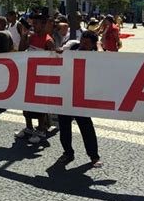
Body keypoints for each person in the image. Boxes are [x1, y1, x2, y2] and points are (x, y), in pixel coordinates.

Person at [56, 31, 103, 168]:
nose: (82, 44)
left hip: (82, 95)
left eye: (87, 43)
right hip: (65, 91)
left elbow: (103, 57)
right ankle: (67, 153)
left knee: (86, 126)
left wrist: (99, 45)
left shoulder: (95, 53)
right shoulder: (73, 45)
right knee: (64, 125)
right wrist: (59, 50)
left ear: (93, 44)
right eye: (82, 41)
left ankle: (94, 156)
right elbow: (60, 50)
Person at [17, 13, 54, 144]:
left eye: (36, 23)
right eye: (33, 23)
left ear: (44, 25)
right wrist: (23, 36)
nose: (34, 26)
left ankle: (41, 129)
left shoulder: (48, 40)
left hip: (42, 77)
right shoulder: (31, 37)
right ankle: (28, 127)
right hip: (29, 74)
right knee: (26, 102)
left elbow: (54, 60)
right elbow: (21, 49)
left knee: (40, 104)